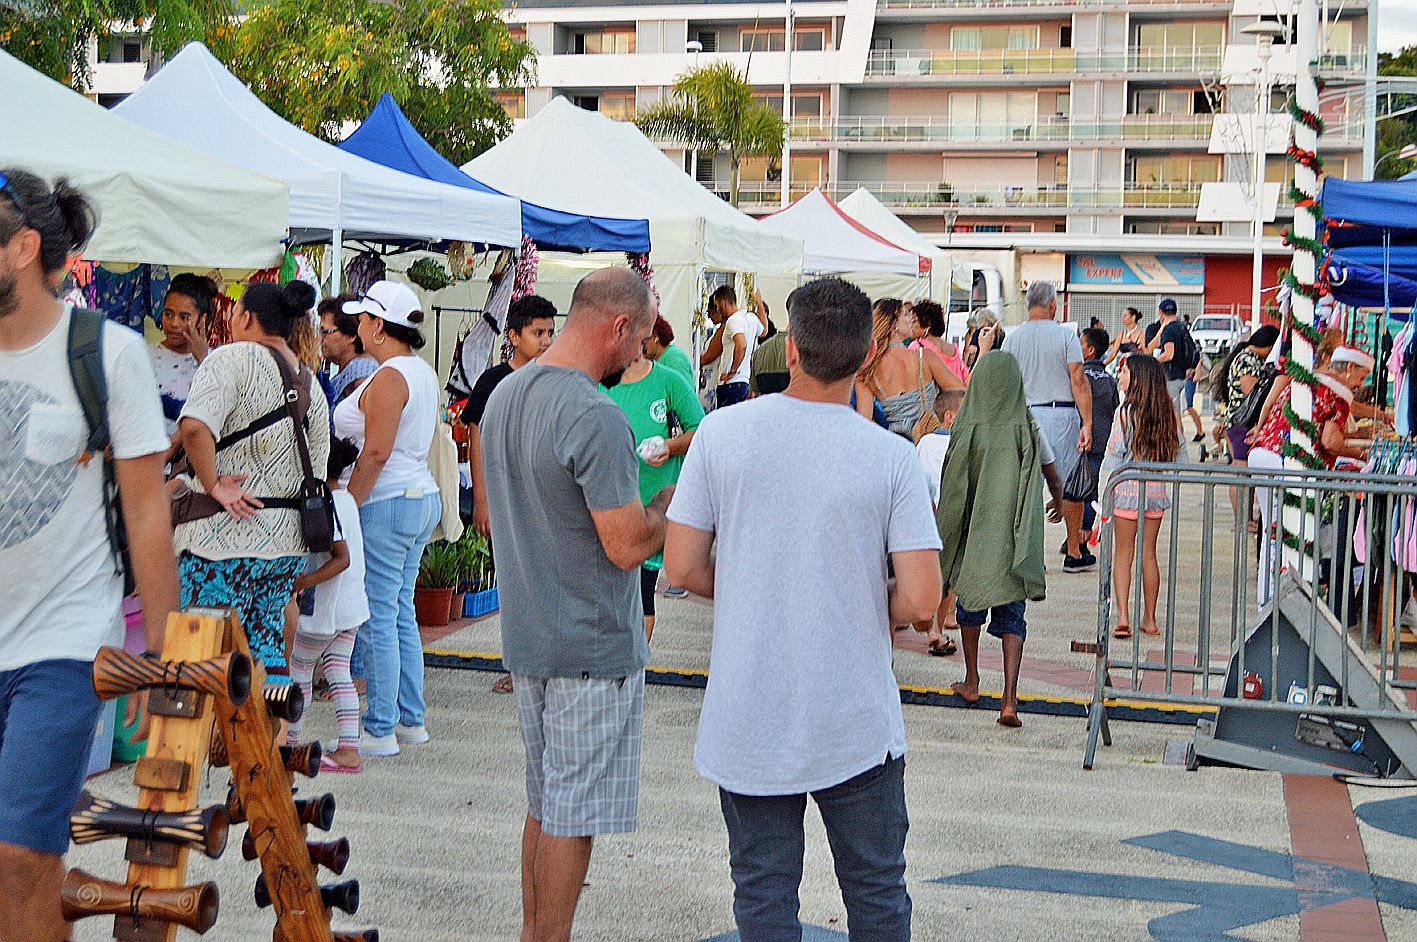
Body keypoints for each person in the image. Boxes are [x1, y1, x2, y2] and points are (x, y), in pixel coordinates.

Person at [664, 276, 942, 942]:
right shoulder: (889, 458)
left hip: (747, 708)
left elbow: (679, 566)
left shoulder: (720, 436)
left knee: (762, 897)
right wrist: (849, 593)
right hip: (854, 717)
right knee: (876, 895)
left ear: (790, 349)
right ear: (863, 360)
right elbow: (922, 597)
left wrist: (757, 582)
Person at [0, 169, 179, 942]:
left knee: (20, 854)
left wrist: (163, 659)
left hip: (63, 641)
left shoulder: (103, 353)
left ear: (22, 248)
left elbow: (146, 509)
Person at [481, 267, 670, 942]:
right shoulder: (594, 413)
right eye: (641, 337)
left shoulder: (505, 396)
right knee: (570, 814)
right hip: (589, 641)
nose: (641, 353)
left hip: (530, 633)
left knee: (545, 804)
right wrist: (670, 507)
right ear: (618, 327)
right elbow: (625, 545)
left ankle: (535, 932)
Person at [176, 280, 330, 687]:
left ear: (245, 317)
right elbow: (315, 470)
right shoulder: (310, 383)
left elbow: (194, 428)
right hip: (284, 546)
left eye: (234, 310)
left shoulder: (229, 359)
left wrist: (213, 483)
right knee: (266, 649)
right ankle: (269, 747)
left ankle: (202, 748)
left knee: (204, 656)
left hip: (220, 542)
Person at [334, 280, 442, 757]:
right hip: (419, 496)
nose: (356, 326)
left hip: (387, 498)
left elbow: (375, 450)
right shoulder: (419, 372)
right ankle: (409, 719)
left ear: (378, 325)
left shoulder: (391, 376)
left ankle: (379, 727)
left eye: (361, 319)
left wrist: (347, 507)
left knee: (380, 614)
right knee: (400, 612)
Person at [936, 350, 1063, 728]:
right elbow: (1051, 469)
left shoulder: (966, 425)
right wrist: (1057, 497)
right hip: (1013, 541)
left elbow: (953, 483)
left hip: (975, 539)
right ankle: (1009, 698)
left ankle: (972, 680)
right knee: (1013, 619)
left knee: (969, 609)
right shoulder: (1026, 425)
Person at [457, 294, 556, 696]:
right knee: (515, 586)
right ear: (513, 336)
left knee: (546, 582)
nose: (546, 340)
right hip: (505, 498)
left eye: (551, 332)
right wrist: (482, 500)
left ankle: (546, 664)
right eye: (537, 333)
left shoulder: (556, 377)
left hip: (546, 498)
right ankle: (521, 666)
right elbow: (474, 435)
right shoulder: (493, 381)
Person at [1249, 347, 1373, 605]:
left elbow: (1320, 431)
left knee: (1272, 532)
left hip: (1263, 453)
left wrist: (1356, 437)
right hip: (1284, 462)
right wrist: (1364, 458)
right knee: (1283, 533)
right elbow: (1330, 441)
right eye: (1361, 378)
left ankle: (1266, 598)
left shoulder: (1310, 380)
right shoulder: (1338, 393)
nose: (1361, 385)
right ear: (1349, 369)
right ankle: (1278, 602)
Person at [605, 340, 705, 641]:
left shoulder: (667, 379)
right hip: (607, 506)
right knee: (608, 596)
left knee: (642, 591)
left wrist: (669, 446)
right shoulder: (598, 380)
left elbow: (699, 429)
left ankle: (635, 668)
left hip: (653, 505)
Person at [285, 437, 368, 773]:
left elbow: (341, 558)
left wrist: (302, 582)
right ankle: (349, 748)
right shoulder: (347, 498)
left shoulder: (323, 502)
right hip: (351, 609)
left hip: (326, 608)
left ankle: (290, 744)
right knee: (338, 672)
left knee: (298, 670)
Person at [1001, 281, 1094, 572]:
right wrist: (1087, 422)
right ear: (1053, 305)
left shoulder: (1012, 338)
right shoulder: (1066, 336)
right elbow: (1078, 379)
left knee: (1026, 485)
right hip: (1061, 415)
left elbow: (1005, 381)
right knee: (1069, 486)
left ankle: (1025, 554)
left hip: (1024, 415)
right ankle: (1074, 551)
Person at [1105, 354, 1184, 639]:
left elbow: (1115, 453)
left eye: (1123, 372)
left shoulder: (1125, 412)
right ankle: (1150, 619)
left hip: (1127, 490)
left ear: (1136, 379)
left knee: (1123, 553)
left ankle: (1123, 616)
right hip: (1155, 492)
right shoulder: (1168, 411)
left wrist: (1107, 491)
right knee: (1149, 554)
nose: (1121, 377)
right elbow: (1180, 452)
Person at [858, 298, 964, 437]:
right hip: (930, 436)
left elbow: (864, 421)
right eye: (906, 314)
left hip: (897, 440)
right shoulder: (923, 357)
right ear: (894, 324)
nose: (912, 319)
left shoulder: (868, 369)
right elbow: (960, 390)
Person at [916, 387, 966, 656]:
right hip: (949, 514)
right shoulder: (958, 444)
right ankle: (936, 625)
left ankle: (934, 626)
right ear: (949, 416)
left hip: (927, 514)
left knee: (937, 573)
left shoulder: (924, 443)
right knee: (947, 575)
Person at [1211, 325, 1280, 503]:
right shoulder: (1247, 361)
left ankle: (1245, 518)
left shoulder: (1249, 358)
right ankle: (1241, 520)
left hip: (1240, 422)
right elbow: (1252, 393)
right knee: (1241, 472)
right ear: (1269, 345)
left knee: (1245, 474)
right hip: (1242, 424)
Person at [150, 273, 217, 436]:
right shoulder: (145, 356)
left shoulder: (215, 362)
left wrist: (203, 359)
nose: (174, 323)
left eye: (184, 317)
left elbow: (217, 408)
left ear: (202, 320)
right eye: (168, 314)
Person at [1077, 327, 1119, 550]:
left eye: (1081, 343)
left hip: (1077, 441)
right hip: (1099, 443)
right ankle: (1083, 536)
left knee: (1073, 489)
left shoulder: (1077, 377)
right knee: (1090, 490)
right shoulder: (1109, 380)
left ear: (1090, 350)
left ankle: (1076, 539)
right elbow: (1114, 409)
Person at [698, 285, 762, 408]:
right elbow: (764, 331)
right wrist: (759, 303)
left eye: (716, 307)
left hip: (729, 382)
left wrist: (732, 371)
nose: (716, 311)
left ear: (722, 303)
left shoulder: (733, 321)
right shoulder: (749, 318)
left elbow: (741, 345)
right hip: (742, 380)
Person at [319, 293, 378, 406]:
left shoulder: (361, 371)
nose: (320, 337)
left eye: (325, 332)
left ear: (351, 335)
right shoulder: (351, 370)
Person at [1146, 298, 1195, 414]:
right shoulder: (1183, 327)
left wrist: (1153, 361)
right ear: (1176, 311)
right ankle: (1179, 432)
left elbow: (1168, 354)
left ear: (1160, 312)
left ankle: (1177, 433)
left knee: (1173, 415)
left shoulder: (1168, 329)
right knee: (1177, 414)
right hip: (1184, 375)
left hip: (1171, 377)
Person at [909, 299, 969, 382]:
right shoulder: (954, 348)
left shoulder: (918, 347)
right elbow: (965, 376)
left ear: (927, 324)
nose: (910, 325)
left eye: (913, 321)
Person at [644, 313, 694, 387]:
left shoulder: (674, 360)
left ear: (656, 337)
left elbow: (682, 394)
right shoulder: (656, 359)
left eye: (644, 340)